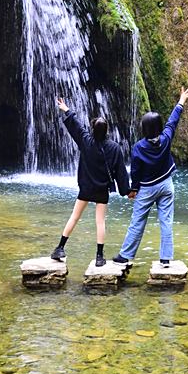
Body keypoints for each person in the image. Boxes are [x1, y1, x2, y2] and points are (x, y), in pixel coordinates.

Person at [113, 87, 188, 268]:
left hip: (147, 189)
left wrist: (133, 190)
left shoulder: (139, 147)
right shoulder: (166, 138)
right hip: (166, 185)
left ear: (144, 130)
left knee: (137, 221)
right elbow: (173, 122)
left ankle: (126, 255)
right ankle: (165, 258)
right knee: (166, 221)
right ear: (159, 128)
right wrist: (181, 101)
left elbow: (136, 172)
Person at [51, 98, 130, 267]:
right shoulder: (114, 148)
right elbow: (121, 172)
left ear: (93, 129)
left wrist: (65, 108)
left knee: (74, 216)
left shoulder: (86, 141)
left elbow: (76, 125)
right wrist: (127, 191)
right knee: (100, 222)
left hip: (86, 188)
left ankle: (60, 248)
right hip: (102, 190)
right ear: (107, 130)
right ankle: (100, 257)